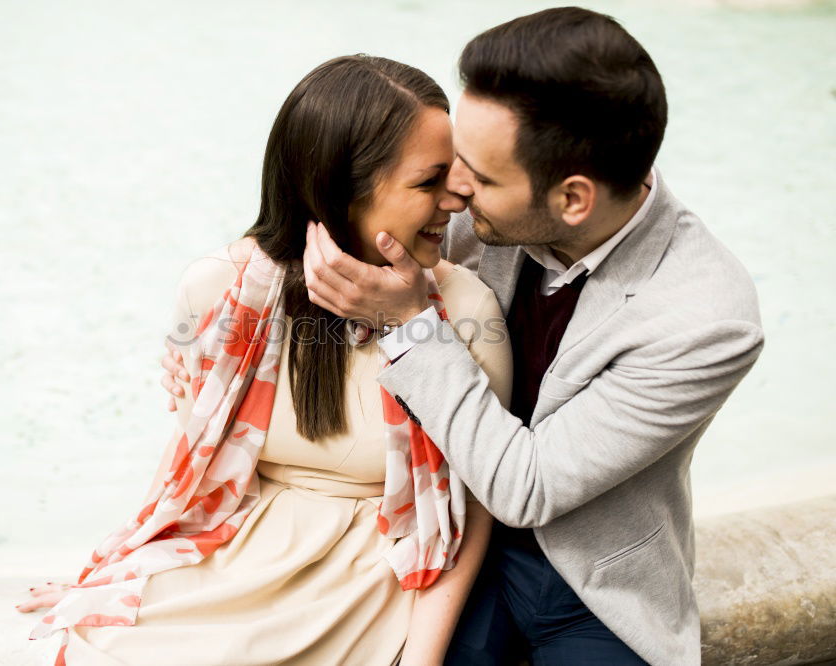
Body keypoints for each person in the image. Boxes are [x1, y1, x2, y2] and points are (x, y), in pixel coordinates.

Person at [161, 7, 767, 666]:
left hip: (592, 586)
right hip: (445, 543)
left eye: (477, 175)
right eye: (447, 165)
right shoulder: (478, 214)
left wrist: (410, 324)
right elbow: (336, 221)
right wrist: (213, 336)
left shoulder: (707, 318)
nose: (452, 190)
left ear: (572, 200)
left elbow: (525, 487)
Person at [21, 54, 513, 665]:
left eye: (452, 176)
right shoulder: (221, 289)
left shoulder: (463, 307)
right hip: (244, 542)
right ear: (342, 188)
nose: (454, 201)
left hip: (377, 566)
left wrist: (423, 656)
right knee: (102, 644)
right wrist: (118, 566)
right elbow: (190, 464)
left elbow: (471, 511)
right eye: (426, 183)